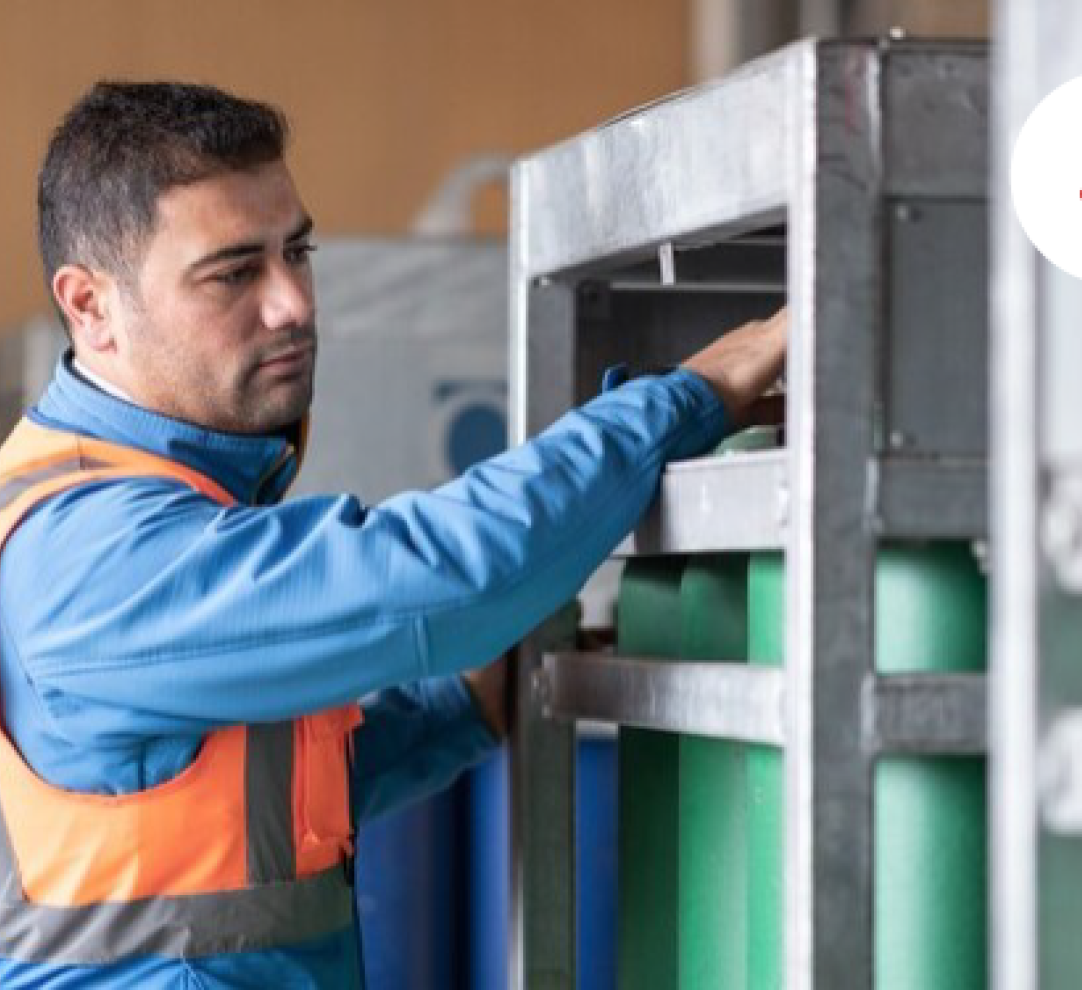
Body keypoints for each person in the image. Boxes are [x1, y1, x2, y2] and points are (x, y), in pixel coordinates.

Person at [0, 81, 786, 988]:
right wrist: (684, 399)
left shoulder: (155, 497)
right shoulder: (88, 551)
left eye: (297, 252)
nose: (293, 303)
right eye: (233, 272)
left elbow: (250, 810)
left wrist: (466, 705)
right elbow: (440, 580)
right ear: (90, 306)